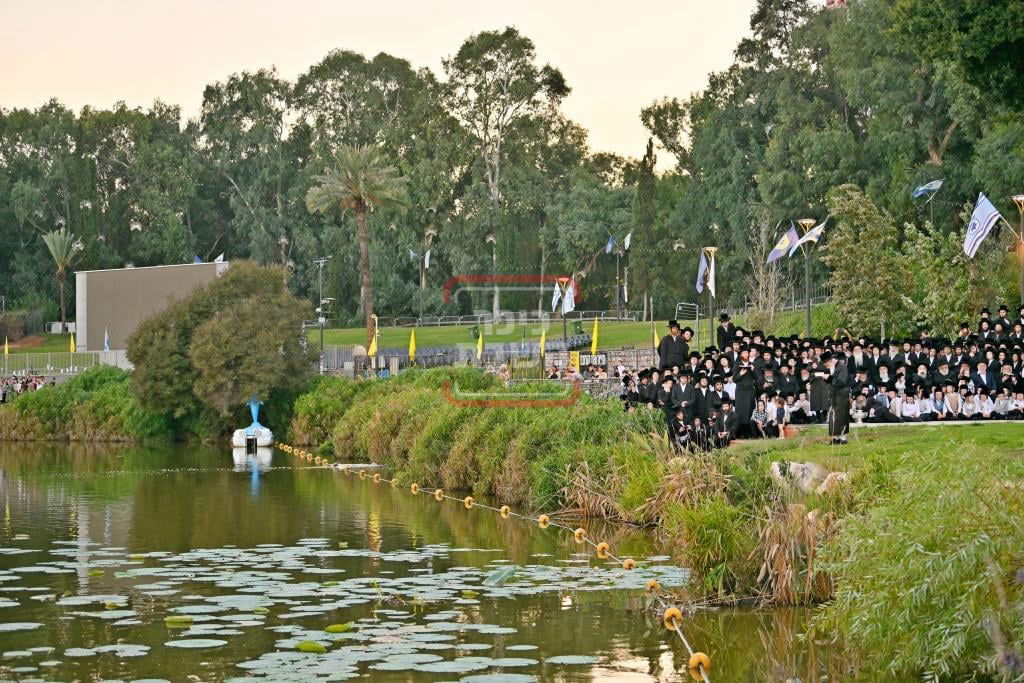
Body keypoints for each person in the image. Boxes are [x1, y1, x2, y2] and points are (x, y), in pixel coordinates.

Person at [821, 351, 851, 444]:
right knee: (834, 416)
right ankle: (836, 437)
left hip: (842, 395)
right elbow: (833, 382)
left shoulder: (842, 367)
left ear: (831, 361)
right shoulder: (834, 367)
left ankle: (843, 438)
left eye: (826, 364)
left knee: (841, 416)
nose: (826, 366)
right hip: (835, 395)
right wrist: (827, 379)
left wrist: (828, 378)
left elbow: (841, 382)